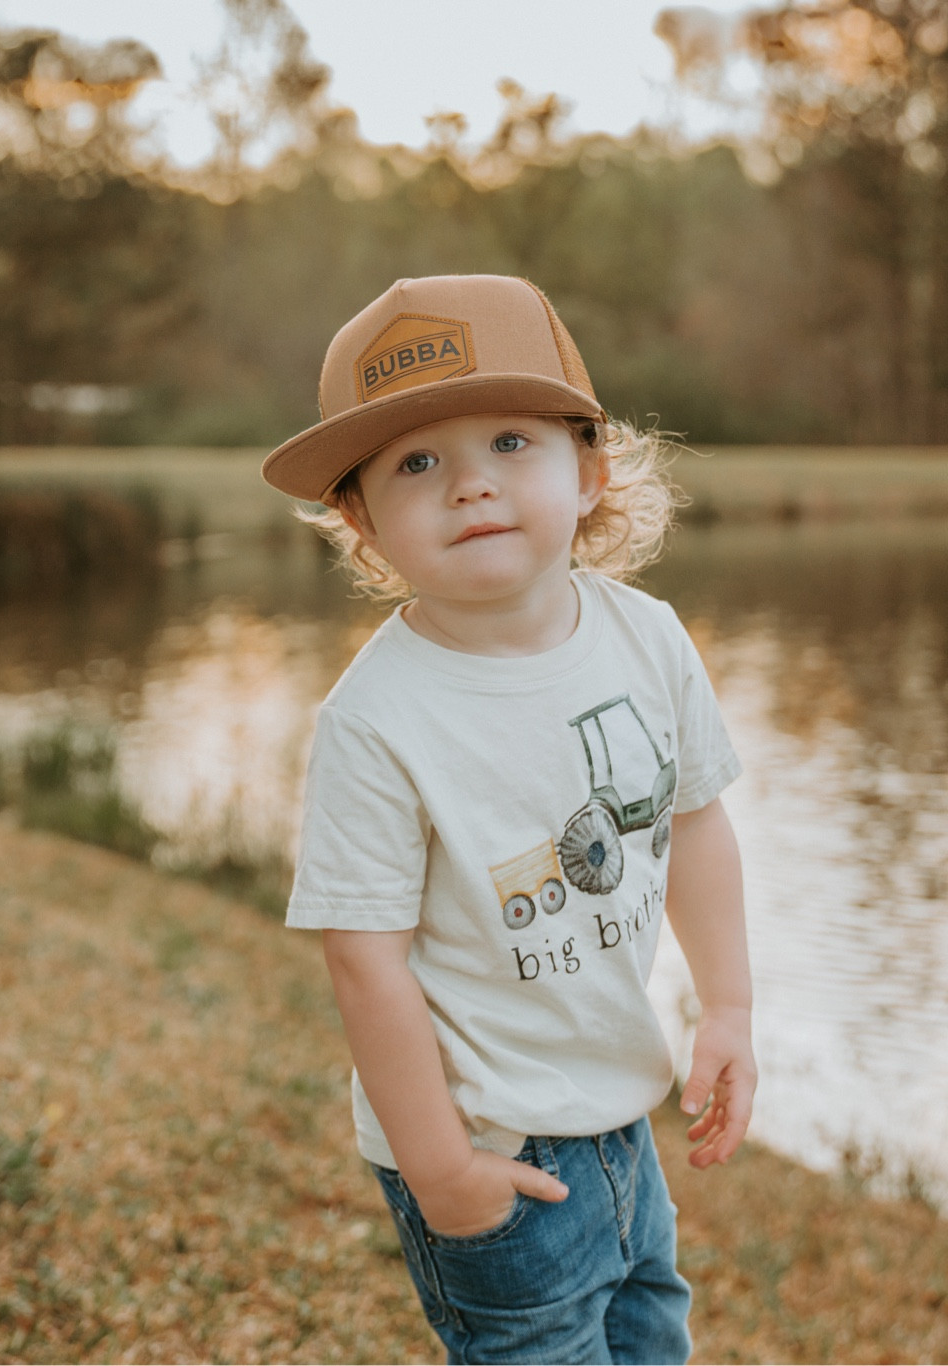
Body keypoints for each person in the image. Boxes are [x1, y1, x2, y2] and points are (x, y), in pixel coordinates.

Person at [261, 274, 755, 1365]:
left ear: (589, 468)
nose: (471, 484)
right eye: (416, 463)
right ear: (362, 519)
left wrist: (726, 1007)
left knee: (651, 1338)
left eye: (509, 442)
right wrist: (440, 1166)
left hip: (618, 1114)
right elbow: (365, 963)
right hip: (488, 1141)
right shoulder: (376, 720)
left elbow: (695, 822)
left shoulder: (648, 637)